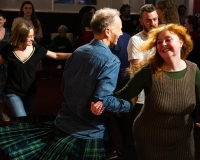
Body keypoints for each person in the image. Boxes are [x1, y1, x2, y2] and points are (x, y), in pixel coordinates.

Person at [0, 8, 133, 160]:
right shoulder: (111, 60)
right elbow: (102, 100)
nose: (121, 33)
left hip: (64, 123)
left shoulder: (78, 51)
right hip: (88, 132)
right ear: (107, 31)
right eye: (119, 29)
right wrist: (128, 104)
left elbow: (63, 87)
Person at [91, 23, 200, 160]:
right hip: (151, 140)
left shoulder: (194, 70)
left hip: (183, 139)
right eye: (159, 42)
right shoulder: (149, 71)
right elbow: (124, 94)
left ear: (181, 42)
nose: (163, 44)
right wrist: (102, 103)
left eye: (168, 40)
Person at [0, 22, 71, 118]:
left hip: (30, 93)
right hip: (12, 93)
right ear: (20, 36)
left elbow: (56, 55)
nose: (33, 39)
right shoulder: (8, 50)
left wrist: (76, 54)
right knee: (23, 119)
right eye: (29, 36)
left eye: (33, 35)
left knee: (30, 121)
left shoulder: (37, 49)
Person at [125, 4, 158, 159]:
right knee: (137, 137)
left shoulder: (161, 39)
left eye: (155, 19)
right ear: (141, 21)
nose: (152, 23)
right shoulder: (135, 40)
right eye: (148, 20)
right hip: (140, 97)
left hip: (157, 94)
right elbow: (138, 68)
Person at [0, 10, 10, 122]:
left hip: (6, 66)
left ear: (5, 20)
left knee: (3, 90)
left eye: (0, 19)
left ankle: (1, 112)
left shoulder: (10, 32)